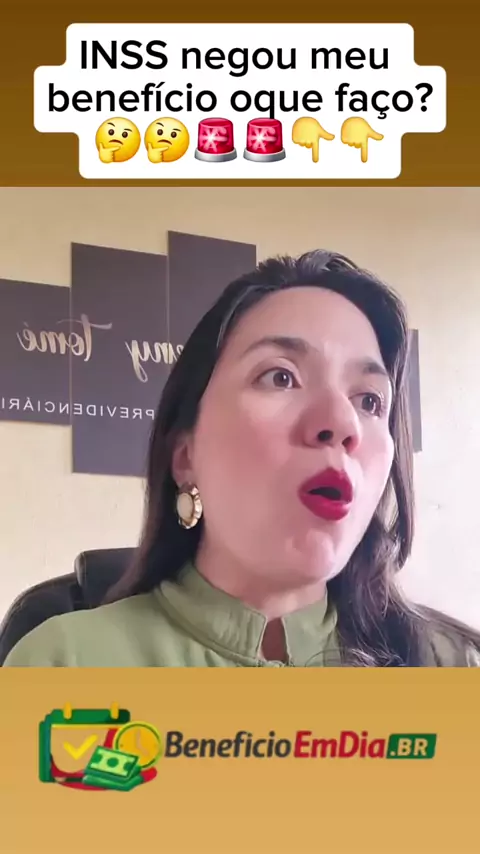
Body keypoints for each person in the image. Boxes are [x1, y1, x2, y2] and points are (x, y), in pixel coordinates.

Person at [4, 249, 480, 667]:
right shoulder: (65, 663)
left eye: (370, 400)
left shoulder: (451, 666)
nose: (343, 423)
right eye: (280, 377)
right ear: (185, 456)